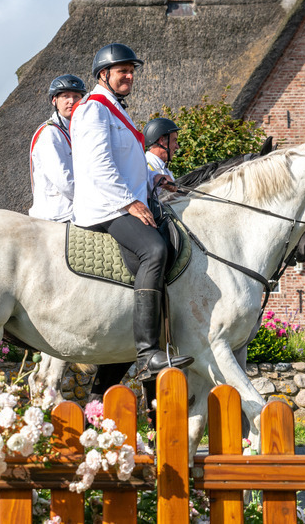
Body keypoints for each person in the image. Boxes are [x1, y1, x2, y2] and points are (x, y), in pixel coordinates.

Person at [70, 43, 193, 381]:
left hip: (119, 200)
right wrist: (129, 202)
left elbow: (127, 164)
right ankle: (147, 353)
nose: (129, 76)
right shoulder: (93, 109)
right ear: (103, 74)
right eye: (122, 70)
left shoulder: (114, 110)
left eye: (131, 71)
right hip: (106, 207)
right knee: (154, 250)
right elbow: (99, 165)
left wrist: (154, 179)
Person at [28, 74, 87, 222]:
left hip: (73, 210)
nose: (71, 101)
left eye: (76, 96)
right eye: (65, 96)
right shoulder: (50, 133)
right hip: (58, 215)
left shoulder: (76, 131)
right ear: (54, 100)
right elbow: (64, 181)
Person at [144, 117, 180, 188]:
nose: (177, 146)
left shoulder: (162, 167)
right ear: (162, 140)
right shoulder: (146, 167)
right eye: (174, 141)